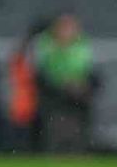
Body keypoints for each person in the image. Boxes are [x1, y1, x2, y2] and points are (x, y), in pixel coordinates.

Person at [35, 13, 97, 152]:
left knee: (77, 130)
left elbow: (88, 70)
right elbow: (45, 73)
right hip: (55, 98)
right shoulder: (47, 46)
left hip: (78, 99)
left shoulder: (82, 46)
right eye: (65, 27)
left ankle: (78, 151)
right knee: (56, 130)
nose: (68, 31)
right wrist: (65, 85)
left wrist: (81, 85)